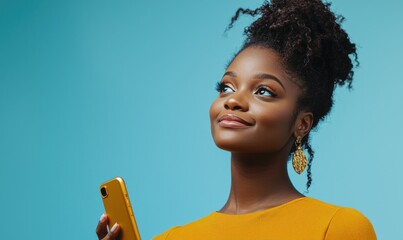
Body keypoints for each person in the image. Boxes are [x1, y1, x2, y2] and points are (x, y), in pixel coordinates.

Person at [96, 0, 377, 239]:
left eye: (264, 91)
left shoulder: (338, 228)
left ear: (302, 123)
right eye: (226, 87)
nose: (232, 100)